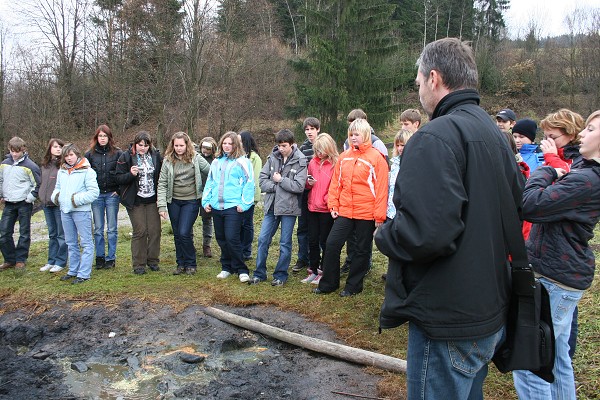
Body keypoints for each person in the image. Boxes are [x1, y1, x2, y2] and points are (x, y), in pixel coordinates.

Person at [374, 38, 522, 398]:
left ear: (435, 78)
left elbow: (424, 234)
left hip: (449, 317)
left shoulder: (434, 137)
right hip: (489, 309)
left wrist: (384, 234)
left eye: (419, 82)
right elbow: (519, 201)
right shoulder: (494, 133)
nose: (419, 90)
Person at [512, 110, 600, 400]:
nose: (583, 134)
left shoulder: (585, 180)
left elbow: (532, 205)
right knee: (558, 358)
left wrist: (548, 171)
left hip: (555, 277)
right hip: (560, 273)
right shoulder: (584, 173)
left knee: (529, 362)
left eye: (590, 129)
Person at [313, 118, 388, 297]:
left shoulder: (376, 158)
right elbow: (335, 184)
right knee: (332, 245)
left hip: (366, 213)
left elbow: (381, 189)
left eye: (357, 134)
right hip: (345, 211)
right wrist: (333, 204)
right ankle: (329, 284)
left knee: (361, 250)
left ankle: (353, 286)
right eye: (351, 134)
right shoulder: (344, 157)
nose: (353, 137)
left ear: (365, 135)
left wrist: (379, 216)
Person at [249, 129, 307, 286]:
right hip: (271, 207)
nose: (281, 149)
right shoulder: (272, 157)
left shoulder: (301, 160)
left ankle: (280, 275)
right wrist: (277, 185)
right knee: (262, 240)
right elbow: (262, 181)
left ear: (292, 144)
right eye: (279, 145)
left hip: (289, 209)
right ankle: (259, 274)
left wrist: (280, 180)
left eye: (284, 146)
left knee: (285, 243)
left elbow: (299, 186)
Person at [202, 132, 255, 282]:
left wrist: (244, 204)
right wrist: (206, 202)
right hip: (217, 206)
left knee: (232, 238)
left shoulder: (243, 162)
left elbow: (249, 183)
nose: (227, 146)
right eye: (224, 143)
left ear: (235, 145)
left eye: (230, 143)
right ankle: (226, 267)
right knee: (221, 238)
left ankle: (242, 269)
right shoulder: (216, 161)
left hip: (233, 207)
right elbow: (210, 183)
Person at [157, 131, 210, 275]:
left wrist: (208, 193)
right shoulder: (168, 160)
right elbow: (162, 183)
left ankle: (191, 263)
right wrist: (162, 205)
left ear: (187, 145)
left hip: (191, 201)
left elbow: (211, 172)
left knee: (184, 232)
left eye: (181, 145)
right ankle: (180, 264)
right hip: (173, 201)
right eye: (176, 145)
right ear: (172, 146)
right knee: (177, 234)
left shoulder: (196, 158)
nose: (179, 148)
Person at [115, 131, 163, 275]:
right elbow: (118, 178)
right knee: (140, 231)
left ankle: (153, 260)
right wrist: (130, 174)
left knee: (155, 231)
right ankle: (139, 264)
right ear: (135, 144)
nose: (143, 148)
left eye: (146, 145)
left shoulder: (155, 156)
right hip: (135, 200)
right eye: (140, 145)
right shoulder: (126, 156)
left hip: (152, 199)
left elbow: (161, 175)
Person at [52, 144, 100, 284]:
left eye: (71, 155)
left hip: (81, 211)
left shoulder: (87, 171)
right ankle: (73, 270)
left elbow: (93, 193)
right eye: (66, 156)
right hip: (65, 211)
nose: (69, 158)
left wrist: (75, 200)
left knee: (86, 242)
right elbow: (57, 188)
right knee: (71, 242)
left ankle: (84, 273)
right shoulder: (62, 171)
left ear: (77, 154)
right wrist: (57, 198)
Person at [302, 133, 338, 284]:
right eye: (317, 150)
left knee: (325, 241)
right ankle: (313, 269)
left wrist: (326, 200)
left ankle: (324, 271)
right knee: (312, 240)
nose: (319, 153)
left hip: (326, 209)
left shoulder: (336, 164)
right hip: (312, 207)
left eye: (322, 150)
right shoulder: (312, 163)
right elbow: (306, 184)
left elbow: (336, 187)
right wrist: (309, 183)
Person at [0, 137, 41, 272]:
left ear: (23, 150)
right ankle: (10, 259)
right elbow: (1, 180)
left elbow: (38, 184)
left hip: (24, 203)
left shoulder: (31, 166)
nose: (15, 154)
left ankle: (21, 259)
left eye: (17, 151)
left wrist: (30, 197)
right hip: (8, 203)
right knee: (4, 232)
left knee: (24, 232)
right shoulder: (4, 164)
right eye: (12, 151)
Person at [85, 125, 122, 270]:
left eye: (105, 136)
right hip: (97, 195)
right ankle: (99, 257)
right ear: (96, 138)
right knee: (98, 229)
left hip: (112, 194)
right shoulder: (89, 155)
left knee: (112, 228)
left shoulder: (118, 153)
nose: (102, 139)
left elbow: (122, 173)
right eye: (100, 136)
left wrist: (118, 190)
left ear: (109, 137)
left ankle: (111, 258)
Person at [292, 117, 320, 273]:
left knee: (319, 229)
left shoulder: (325, 144)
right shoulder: (302, 149)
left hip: (320, 194)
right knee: (302, 227)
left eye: (312, 129)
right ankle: (303, 258)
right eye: (307, 130)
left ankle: (318, 259)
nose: (309, 132)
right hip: (304, 193)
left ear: (318, 129)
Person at [38, 138, 68, 273]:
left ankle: (61, 262)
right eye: (55, 146)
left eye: (60, 147)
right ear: (50, 148)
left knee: (61, 234)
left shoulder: (63, 165)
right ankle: (51, 260)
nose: (57, 149)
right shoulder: (44, 165)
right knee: (52, 234)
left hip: (58, 204)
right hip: (46, 204)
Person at [239, 130, 262, 261]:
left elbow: (256, 179)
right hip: (237, 197)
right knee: (238, 224)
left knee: (247, 224)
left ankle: (246, 250)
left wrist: (253, 198)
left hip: (249, 198)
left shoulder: (255, 158)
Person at [386, 129, 415, 221]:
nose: (399, 148)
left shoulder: (415, 164)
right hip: (390, 212)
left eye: (402, 145)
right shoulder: (394, 163)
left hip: (406, 214)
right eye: (397, 145)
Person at [198, 137, 218, 258]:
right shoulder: (196, 158)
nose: (205, 151)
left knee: (207, 220)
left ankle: (207, 245)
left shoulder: (215, 160)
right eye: (203, 148)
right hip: (194, 192)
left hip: (208, 194)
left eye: (208, 149)